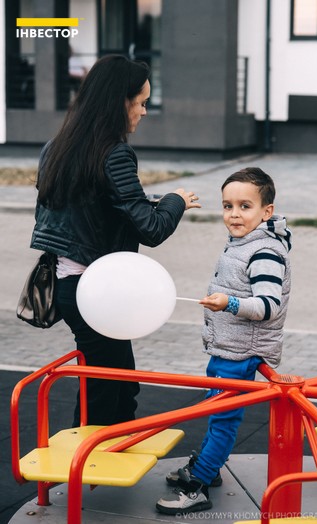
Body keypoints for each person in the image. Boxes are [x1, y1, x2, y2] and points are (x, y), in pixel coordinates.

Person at [30, 54, 201, 427]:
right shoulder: (114, 154)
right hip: (97, 292)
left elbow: (94, 211)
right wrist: (176, 201)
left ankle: (95, 466)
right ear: (119, 102)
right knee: (108, 390)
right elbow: (151, 229)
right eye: (140, 103)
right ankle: (87, 470)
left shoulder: (56, 147)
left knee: (114, 386)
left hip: (69, 285)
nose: (143, 112)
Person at [156, 167, 292, 515]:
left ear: (267, 212)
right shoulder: (245, 242)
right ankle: (208, 469)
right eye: (227, 206)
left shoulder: (264, 252)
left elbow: (268, 305)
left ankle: (197, 485)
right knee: (218, 413)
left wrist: (227, 302)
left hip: (240, 353)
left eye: (245, 206)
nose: (234, 214)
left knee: (223, 420)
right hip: (227, 348)